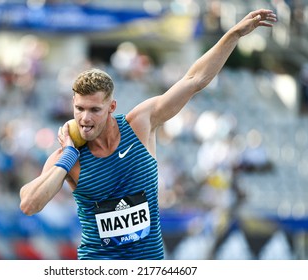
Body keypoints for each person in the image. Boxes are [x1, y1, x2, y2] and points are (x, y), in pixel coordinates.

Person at [19, 9, 277, 260]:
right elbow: (30, 204)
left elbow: (194, 79)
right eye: (79, 109)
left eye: (94, 110)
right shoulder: (69, 156)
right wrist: (67, 157)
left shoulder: (140, 124)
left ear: (111, 107)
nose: (85, 118)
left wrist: (233, 34)